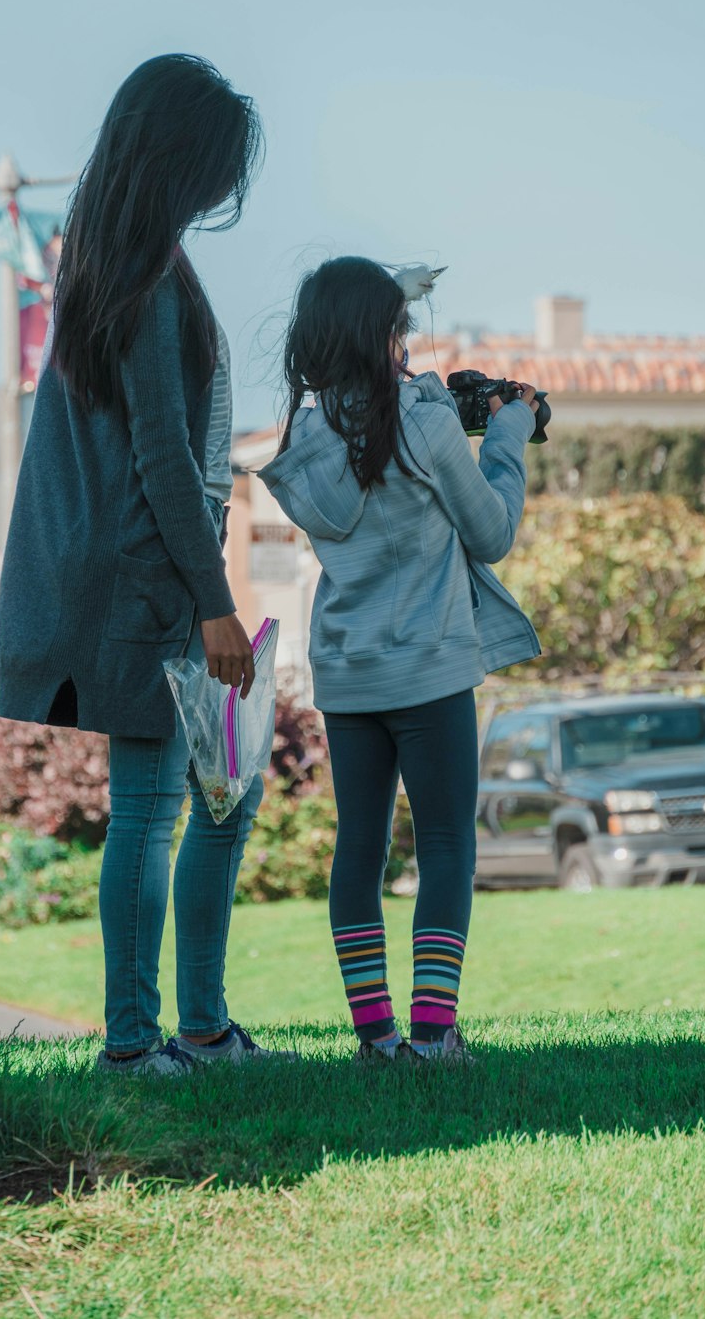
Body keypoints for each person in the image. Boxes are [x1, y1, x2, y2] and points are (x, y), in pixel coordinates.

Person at [0, 53, 287, 1075]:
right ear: (177, 160)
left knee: (222, 791)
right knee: (163, 805)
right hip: (137, 583)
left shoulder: (122, 260)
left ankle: (197, 1030)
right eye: (213, 167)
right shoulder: (141, 277)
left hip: (143, 572)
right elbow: (162, 456)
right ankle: (135, 1045)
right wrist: (215, 607)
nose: (221, 190)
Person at [259, 256, 541, 1063]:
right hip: (432, 671)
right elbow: (491, 534)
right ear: (385, 338)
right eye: (401, 329)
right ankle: (434, 1032)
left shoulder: (304, 439)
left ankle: (376, 1036)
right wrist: (510, 432)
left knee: (361, 848)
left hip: (348, 678)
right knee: (448, 844)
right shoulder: (424, 424)